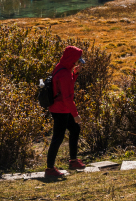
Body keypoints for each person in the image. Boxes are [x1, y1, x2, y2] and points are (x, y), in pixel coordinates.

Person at [45, 46, 87, 178]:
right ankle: (49, 169)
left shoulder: (62, 67)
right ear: (71, 59)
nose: (78, 62)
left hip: (60, 107)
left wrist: (75, 74)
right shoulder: (64, 73)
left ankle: (73, 161)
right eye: (76, 60)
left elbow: (66, 86)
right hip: (60, 109)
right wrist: (76, 115)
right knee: (57, 138)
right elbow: (67, 97)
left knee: (74, 129)